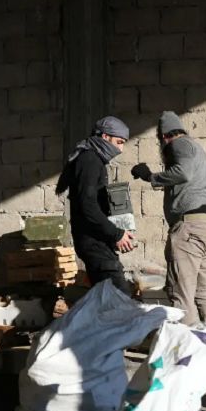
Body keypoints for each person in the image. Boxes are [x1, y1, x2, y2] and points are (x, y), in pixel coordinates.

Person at [131, 111, 206, 326]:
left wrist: (151, 177)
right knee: (202, 291)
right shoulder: (203, 157)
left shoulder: (178, 145)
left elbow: (183, 173)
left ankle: (190, 349)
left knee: (181, 293)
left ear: (163, 136)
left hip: (191, 228)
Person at [55, 116, 135, 295]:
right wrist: (117, 234)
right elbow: (87, 205)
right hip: (93, 243)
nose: (120, 149)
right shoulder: (89, 160)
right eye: (119, 142)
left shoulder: (93, 159)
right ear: (105, 137)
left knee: (107, 303)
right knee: (120, 302)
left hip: (98, 241)